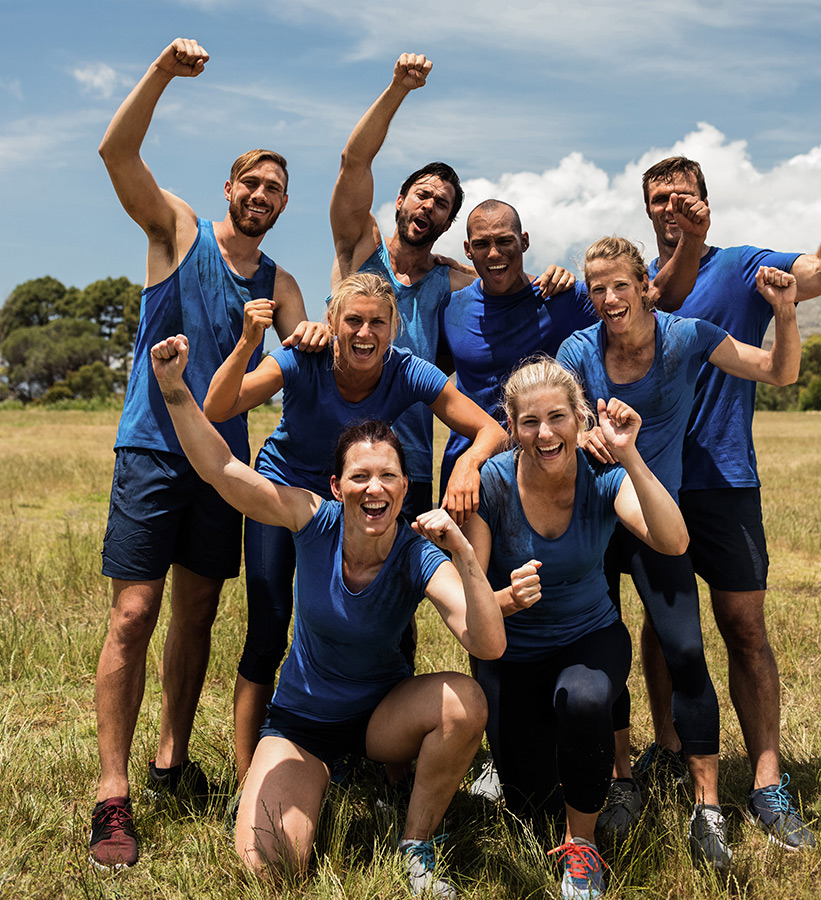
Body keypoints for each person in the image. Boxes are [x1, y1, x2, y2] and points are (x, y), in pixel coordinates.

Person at [152, 334, 506, 899]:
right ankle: (307, 779)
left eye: (388, 476)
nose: (375, 488)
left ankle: (415, 844)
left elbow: (486, 645)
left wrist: (464, 554)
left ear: (404, 489)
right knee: (268, 868)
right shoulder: (312, 519)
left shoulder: (419, 552)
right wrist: (174, 391)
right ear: (337, 487)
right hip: (302, 724)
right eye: (360, 477)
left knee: (468, 702)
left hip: (379, 722)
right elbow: (222, 469)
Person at [89, 38, 325, 871]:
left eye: (275, 190)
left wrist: (306, 337)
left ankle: (171, 762)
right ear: (231, 188)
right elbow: (117, 151)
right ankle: (112, 798)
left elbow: (302, 350)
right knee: (134, 613)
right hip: (153, 451)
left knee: (195, 614)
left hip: (223, 467)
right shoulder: (178, 230)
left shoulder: (282, 283)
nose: (262, 196)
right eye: (251, 183)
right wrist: (159, 72)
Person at [637, 149, 821, 850]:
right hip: (658, 484)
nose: (672, 209)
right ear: (646, 210)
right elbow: (666, 305)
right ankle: (671, 749)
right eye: (661, 201)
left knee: (745, 629)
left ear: (706, 202)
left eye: (684, 198)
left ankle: (768, 781)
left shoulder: (738, 265)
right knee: (661, 627)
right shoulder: (637, 285)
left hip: (726, 479)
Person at [203, 271, 508, 785]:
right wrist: (248, 343)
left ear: (394, 330)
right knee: (271, 623)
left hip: (364, 494)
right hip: (292, 494)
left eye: (377, 323)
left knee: (393, 621)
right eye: (353, 321)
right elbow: (217, 406)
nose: (365, 333)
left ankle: (390, 770)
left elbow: (490, 430)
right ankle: (248, 773)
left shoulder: (408, 370)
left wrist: (468, 463)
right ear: (332, 323)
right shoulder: (303, 356)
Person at [557, 236, 801, 869]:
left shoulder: (687, 336)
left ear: (646, 286)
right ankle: (622, 778)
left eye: (619, 285)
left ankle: (707, 806)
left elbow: (779, 370)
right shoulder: (579, 349)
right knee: (602, 651)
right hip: (592, 519)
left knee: (686, 648)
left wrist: (786, 312)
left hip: (653, 514)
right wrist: (585, 433)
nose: (608, 298)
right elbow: (562, 422)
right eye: (597, 288)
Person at [462, 359, 689, 899]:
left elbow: (674, 540)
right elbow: (470, 614)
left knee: (585, 698)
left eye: (558, 417)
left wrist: (630, 454)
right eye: (530, 422)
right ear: (512, 428)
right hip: (512, 655)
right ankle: (522, 762)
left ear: (580, 418)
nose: (546, 433)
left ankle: (582, 849)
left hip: (589, 638)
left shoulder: (604, 473)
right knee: (529, 804)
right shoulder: (492, 486)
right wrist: (503, 600)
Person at [330, 54, 573, 519]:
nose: (429, 205)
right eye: (422, 193)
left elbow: (507, 273)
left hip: (412, 459)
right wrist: (399, 87)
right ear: (400, 200)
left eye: (442, 203)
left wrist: (556, 275)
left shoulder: (456, 281)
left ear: (448, 223)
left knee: (405, 585)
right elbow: (353, 160)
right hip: (339, 453)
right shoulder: (358, 248)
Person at [438, 197, 709, 495]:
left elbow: (653, 299)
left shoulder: (564, 298)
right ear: (467, 249)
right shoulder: (451, 307)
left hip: (542, 477)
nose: (494, 253)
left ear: (524, 241)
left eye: (505, 241)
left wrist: (692, 239)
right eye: (481, 245)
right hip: (466, 475)